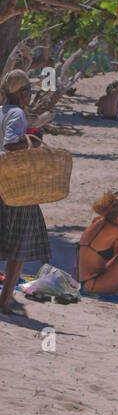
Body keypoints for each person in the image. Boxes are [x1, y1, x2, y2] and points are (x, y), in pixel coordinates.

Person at [0, 70, 52, 315]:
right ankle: (5, 300)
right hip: (16, 187)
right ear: (22, 93)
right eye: (28, 91)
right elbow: (10, 144)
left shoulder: (0, 111)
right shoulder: (17, 113)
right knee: (19, 247)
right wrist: (32, 143)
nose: (29, 96)